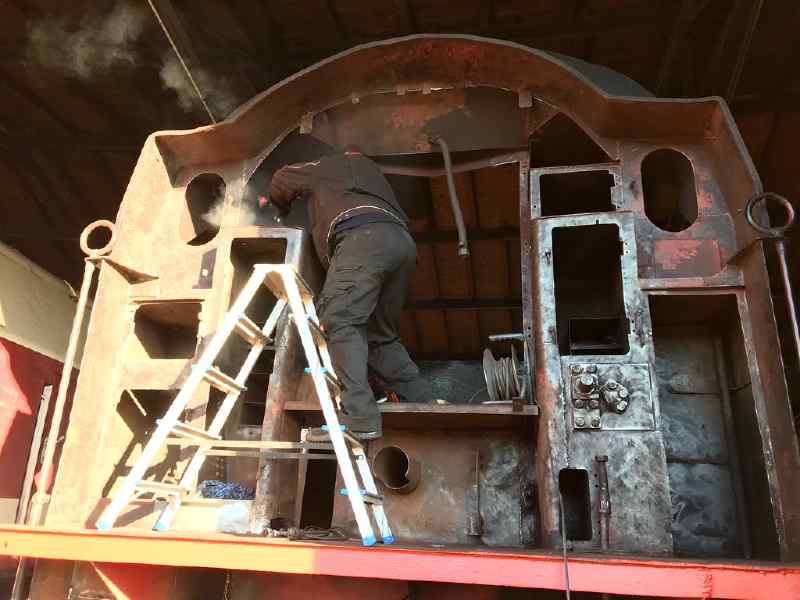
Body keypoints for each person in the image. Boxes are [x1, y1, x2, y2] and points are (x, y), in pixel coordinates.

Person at [267, 145, 432, 439]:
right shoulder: (375, 178)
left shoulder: (328, 166)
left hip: (362, 238)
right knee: (381, 337)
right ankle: (424, 402)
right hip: (402, 246)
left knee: (340, 320)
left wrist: (279, 209)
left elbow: (282, 179)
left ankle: (360, 418)